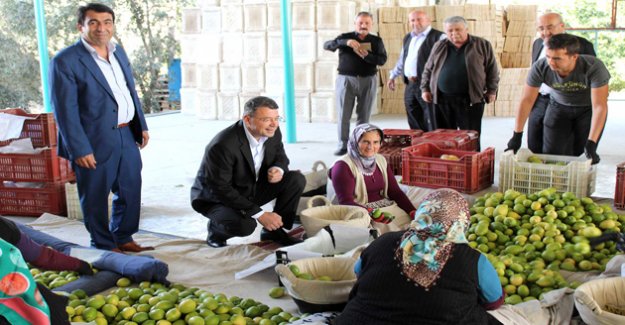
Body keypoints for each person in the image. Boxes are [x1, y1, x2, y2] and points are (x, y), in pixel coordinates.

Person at [49, 3, 152, 252]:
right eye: (93, 22)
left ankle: (123, 236)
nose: (101, 28)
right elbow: (65, 110)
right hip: (92, 140)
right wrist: (79, 148)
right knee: (95, 195)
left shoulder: (118, 52)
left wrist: (141, 125)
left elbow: (129, 91)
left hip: (126, 133)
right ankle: (103, 244)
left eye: (107, 22)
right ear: (80, 26)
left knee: (130, 188)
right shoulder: (66, 61)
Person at [335, 189, 504, 325]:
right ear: (462, 221)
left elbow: (358, 273)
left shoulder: (383, 241)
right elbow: (494, 301)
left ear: (422, 213)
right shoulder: (473, 260)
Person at [191, 96, 306, 248]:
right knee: (245, 225)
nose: (274, 124)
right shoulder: (223, 145)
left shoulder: (272, 131)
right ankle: (216, 231)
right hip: (216, 198)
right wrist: (260, 214)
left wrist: (277, 169)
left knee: (296, 179)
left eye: (277, 118)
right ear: (247, 119)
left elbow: (281, 157)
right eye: (266, 119)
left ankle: (274, 230)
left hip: (248, 187)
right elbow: (220, 188)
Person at [506, 33, 609, 164]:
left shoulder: (593, 67)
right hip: (558, 107)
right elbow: (527, 100)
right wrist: (517, 135)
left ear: (574, 57)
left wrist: (592, 143)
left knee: (581, 154)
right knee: (551, 153)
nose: (551, 62)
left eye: (557, 59)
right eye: (548, 57)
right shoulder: (540, 67)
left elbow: (599, 106)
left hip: (587, 110)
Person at [421, 16, 500, 151]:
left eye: (458, 29)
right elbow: (428, 69)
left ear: (466, 29)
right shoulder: (439, 46)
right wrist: (425, 89)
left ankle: (470, 163)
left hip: (470, 100)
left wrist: (492, 90)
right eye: (450, 30)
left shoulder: (481, 44)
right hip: (442, 99)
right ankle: (447, 164)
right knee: (443, 136)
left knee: (470, 137)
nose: (454, 33)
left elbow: (492, 69)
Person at [0, 217, 94, 325]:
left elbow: (42, 256)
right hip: (10, 300)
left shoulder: (4, 227)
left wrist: (79, 265)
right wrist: (81, 265)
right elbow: (42, 257)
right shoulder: (4, 227)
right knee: (47, 303)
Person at [525, 12, 596, 153]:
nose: (545, 32)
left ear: (562, 26)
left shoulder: (582, 45)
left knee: (561, 144)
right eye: (541, 28)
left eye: (550, 27)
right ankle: (539, 172)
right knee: (534, 141)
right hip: (541, 98)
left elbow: (590, 77)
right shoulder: (537, 43)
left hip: (567, 102)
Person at [329, 124, 415, 232]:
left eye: (375, 142)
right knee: (390, 232)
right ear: (355, 142)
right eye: (365, 142)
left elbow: (395, 192)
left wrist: (412, 211)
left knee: (414, 225)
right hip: (360, 212)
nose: (371, 147)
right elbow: (345, 202)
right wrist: (371, 213)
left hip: (385, 206)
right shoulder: (343, 166)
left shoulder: (380, 160)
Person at [324, 12, 388, 156]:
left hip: (368, 80)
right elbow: (327, 45)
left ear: (371, 24)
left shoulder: (376, 41)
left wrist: (367, 55)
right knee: (343, 114)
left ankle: (360, 143)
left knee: (364, 115)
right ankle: (343, 144)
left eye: (367, 23)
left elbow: (382, 60)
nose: (363, 26)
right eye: (360, 23)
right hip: (346, 80)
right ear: (355, 24)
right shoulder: (345, 37)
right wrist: (345, 42)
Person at [387, 10, 445, 131]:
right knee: (413, 117)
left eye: (419, 19)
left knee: (432, 118)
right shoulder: (408, 37)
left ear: (428, 21)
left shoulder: (439, 37)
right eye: (412, 20)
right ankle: (420, 146)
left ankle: (434, 147)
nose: (415, 22)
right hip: (410, 84)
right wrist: (393, 75)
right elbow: (402, 59)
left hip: (428, 86)